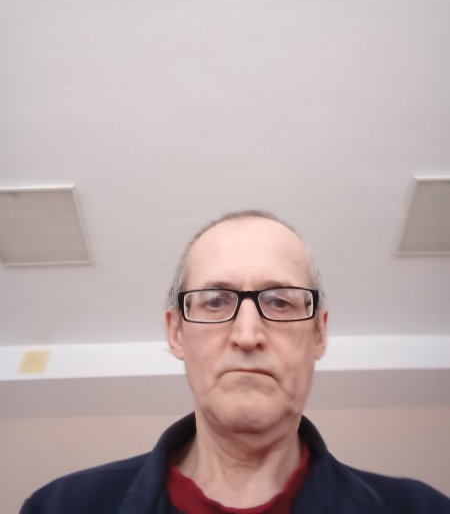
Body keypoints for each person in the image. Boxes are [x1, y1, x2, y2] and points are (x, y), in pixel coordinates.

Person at [20, 210, 449, 513]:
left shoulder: (422, 508)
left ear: (319, 334)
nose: (247, 335)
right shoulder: (60, 506)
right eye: (215, 301)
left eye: (279, 302)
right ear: (176, 332)